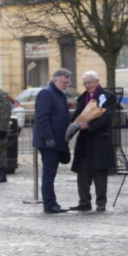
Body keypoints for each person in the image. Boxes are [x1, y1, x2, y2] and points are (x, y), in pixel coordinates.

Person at [69, 71, 118, 212]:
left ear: (97, 81)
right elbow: (78, 115)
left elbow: (106, 117)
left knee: (99, 172)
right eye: (84, 83)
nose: (87, 85)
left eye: (89, 82)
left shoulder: (108, 96)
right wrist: (75, 124)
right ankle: (84, 201)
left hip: (100, 139)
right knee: (82, 172)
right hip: (84, 140)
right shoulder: (82, 97)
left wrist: (89, 126)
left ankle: (101, 202)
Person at [33, 69, 73, 213]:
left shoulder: (60, 93)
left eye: (68, 82)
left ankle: (51, 202)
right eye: (64, 82)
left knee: (51, 172)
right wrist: (49, 138)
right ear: (55, 80)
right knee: (49, 173)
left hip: (58, 141)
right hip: (49, 142)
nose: (66, 85)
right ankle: (49, 204)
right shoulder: (47, 93)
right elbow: (42, 118)